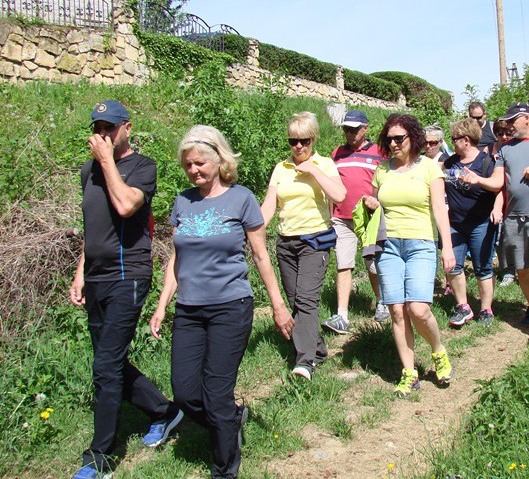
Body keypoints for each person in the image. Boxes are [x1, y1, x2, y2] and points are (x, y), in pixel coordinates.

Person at [149, 125, 294, 479]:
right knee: (184, 393)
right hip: (189, 308)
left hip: (231, 305)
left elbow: (260, 256)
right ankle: (230, 418)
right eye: (188, 166)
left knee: (216, 392)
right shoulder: (183, 201)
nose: (194, 170)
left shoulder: (241, 198)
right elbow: (176, 258)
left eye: (200, 163)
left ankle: (224, 467)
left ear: (219, 159)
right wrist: (162, 304)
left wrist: (277, 304)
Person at [69, 100, 183, 479]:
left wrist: (105, 162)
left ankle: (99, 457)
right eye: (98, 126)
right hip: (97, 276)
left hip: (128, 276)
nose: (103, 134)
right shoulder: (88, 171)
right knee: (109, 359)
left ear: (127, 128)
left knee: (104, 365)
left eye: (110, 127)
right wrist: (80, 272)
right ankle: (165, 411)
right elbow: (93, 226)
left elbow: (124, 207)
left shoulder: (142, 167)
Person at [363, 114, 455, 396]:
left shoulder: (430, 169)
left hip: (421, 244)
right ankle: (409, 371)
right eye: (389, 139)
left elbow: (440, 209)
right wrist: (371, 202)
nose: (393, 143)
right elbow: (378, 204)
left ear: (412, 138)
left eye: (399, 138)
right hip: (389, 246)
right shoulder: (382, 170)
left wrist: (447, 247)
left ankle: (438, 351)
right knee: (396, 310)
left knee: (418, 308)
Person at [462, 102, 529, 339]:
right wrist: (481, 183)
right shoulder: (505, 149)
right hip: (513, 217)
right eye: (508, 122)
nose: (509, 126)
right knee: (521, 270)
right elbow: (499, 182)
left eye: (513, 121)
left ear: (527, 119)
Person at [261, 112, 346, 380]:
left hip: (315, 241)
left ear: (313, 139)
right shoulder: (280, 168)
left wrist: (314, 171)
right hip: (286, 243)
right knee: (296, 300)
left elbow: (340, 195)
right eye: (293, 141)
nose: (298, 146)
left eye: (304, 141)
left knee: (307, 299)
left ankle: (305, 362)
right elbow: (269, 206)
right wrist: (253, 230)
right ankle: (318, 350)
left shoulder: (325, 164)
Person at [322, 110, 387, 334]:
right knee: (343, 264)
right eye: (346, 129)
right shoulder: (337, 153)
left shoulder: (379, 152)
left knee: (372, 261)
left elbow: (385, 183)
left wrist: (378, 203)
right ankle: (342, 315)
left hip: (369, 217)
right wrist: (330, 215)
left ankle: (382, 302)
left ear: (365, 128)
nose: (349, 134)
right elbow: (331, 185)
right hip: (341, 218)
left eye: (354, 129)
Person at [443, 118, 500, 327]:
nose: (452, 142)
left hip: (481, 223)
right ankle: (463, 306)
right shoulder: (450, 163)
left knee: (482, 268)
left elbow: (499, 187)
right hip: (455, 223)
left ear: (466, 140)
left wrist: (495, 207)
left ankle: (486, 309)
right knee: (452, 266)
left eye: (454, 139)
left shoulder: (486, 163)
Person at [491, 119, 515, 287]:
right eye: (500, 133)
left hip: (515, 197)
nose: (504, 136)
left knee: (517, 237)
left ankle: (524, 269)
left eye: (508, 133)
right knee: (500, 237)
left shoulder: (518, 149)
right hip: (497, 197)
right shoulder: (490, 151)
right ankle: (507, 270)